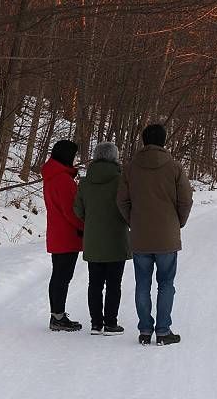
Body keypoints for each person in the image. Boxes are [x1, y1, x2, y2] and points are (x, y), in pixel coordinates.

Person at [117, 124, 193, 346]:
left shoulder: (130, 168)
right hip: (167, 235)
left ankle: (144, 331)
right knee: (166, 283)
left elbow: (121, 201)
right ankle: (163, 331)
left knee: (142, 283)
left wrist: (133, 221)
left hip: (140, 235)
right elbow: (185, 200)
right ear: (164, 141)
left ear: (143, 141)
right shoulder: (175, 168)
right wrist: (178, 222)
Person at [74, 142, 131, 335]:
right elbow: (127, 207)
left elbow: (78, 210)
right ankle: (111, 323)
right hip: (116, 238)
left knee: (95, 283)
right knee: (114, 283)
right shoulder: (121, 181)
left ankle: (96, 324)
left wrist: (91, 221)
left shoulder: (84, 182)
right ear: (115, 157)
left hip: (93, 239)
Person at [41, 140, 83, 332]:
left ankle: (56, 315)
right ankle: (58, 317)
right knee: (62, 277)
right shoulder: (63, 179)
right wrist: (84, 226)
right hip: (67, 235)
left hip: (56, 233)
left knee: (58, 275)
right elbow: (72, 211)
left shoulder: (52, 176)